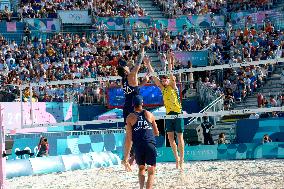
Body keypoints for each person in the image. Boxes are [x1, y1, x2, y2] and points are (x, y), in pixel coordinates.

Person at [145, 52, 185, 170]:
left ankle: (182, 160)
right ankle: (176, 159)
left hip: (177, 113)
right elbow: (154, 77)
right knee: (171, 139)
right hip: (169, 114)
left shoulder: (173, 85)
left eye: (165, 80)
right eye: (162, 80)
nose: (163, 81)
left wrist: (169, 61)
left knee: (180, 138)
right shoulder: (163, 88)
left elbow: (170, 73)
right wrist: (148, 65)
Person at [117, 47, 148, 164]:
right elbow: (139, 62)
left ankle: (127, 158)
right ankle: (134, 157)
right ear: (125, 69)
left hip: (127, 106)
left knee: (129, 133)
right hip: (134, 107)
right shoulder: (131, 75)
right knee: (140, 132)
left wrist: (143, 83)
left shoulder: (123, 80)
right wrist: (143, 48)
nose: (128, 66)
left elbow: (134, 89)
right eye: (126, 66)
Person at [122, 95, 159, 189]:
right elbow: (156, 132)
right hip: (150, 144)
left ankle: (141, 188)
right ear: (142, 103)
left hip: (138, 146)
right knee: (151, 171)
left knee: (141, 168)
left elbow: (129, 139)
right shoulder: (149, 114)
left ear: (133, 105)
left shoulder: (130, 117)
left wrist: (126, 158)